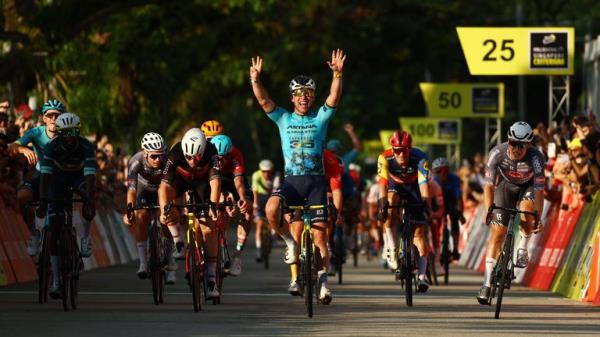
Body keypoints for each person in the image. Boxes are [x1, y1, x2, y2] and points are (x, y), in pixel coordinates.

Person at [249, 49, 346, 304]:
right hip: (292, 182)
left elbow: (334, 96)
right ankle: (290, 244)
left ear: (313, 97)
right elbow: (263, 101)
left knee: (320, 237)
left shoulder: (321, 118)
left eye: (309, 94)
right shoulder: (283, 117)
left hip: (315, 182)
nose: (304, 98)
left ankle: (324, 284)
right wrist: (256, 80)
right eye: (299, 94)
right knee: (271, 209)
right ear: (292, 98)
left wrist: (337, 74)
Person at [476, 121, 545, 305]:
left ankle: (522, 246)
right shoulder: (496, 153)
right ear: (508, 140)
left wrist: (538, 216)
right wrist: (488, 209)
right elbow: (488, 185)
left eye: (521, 145)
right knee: (497, 234)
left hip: (527, 187)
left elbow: (539, 190)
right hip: (505, 187)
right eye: (513, 143)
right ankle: (487, 283)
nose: (516, 148)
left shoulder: (537, 158)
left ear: (529, 144)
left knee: (528, 213)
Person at [36, 113, 96, 299]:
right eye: (65, 133)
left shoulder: (86, 146)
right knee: (53, 227)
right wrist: (43, 201)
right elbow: (45, 177)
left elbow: (90, 178)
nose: (69, 138)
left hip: (78, 177)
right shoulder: (52, 146)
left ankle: (85, 237)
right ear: (59, 133)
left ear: (78, 132)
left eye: (73, 133)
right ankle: (56, 281)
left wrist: (89, 202)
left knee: (88, 200)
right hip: (56, 178)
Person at [158, 128, 222, 299]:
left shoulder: (211, 150)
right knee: (166, 204)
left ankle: (210, 278)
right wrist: (165, 209)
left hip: (203, 184)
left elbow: (215, 182)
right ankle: (178, 241)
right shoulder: (176, 152)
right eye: (188, 157)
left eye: (196, 157)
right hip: (181, 181)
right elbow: (164, 187)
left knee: (208, 228)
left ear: (203, 150)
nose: (192, 160)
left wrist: (213, 205)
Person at [377, 130, 432, 292]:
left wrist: (426, 203)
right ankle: (392, 249)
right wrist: (382, 204)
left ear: (410, 148)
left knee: (419, 234)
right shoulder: (384, 157)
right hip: (395, 185)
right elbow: (382, 184)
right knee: (390, 202)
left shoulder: (420, 158)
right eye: (397, 151)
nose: (401, 155)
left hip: (414, 186)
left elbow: (423, 184)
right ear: (392, 150)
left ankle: (422, 277)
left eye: (405, 150)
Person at [8, 99, 65, 256]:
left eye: (58, 116)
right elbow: (12, 146)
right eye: (51, 115)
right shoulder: (36, 133)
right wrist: (23, 150)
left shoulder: (68, 134)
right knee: (21, 197)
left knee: (59, 219)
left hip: (62, 179)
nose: (54, 119)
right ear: (44, 118)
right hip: (40, 176)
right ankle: (34, 234)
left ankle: (71, 244)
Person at [123, 132, 177, 283]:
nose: (158, 159)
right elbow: (131, 189)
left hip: (162, 190)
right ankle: (143, 263)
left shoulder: (168, 161)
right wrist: (129, 210)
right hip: (143, 190)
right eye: (154, 156)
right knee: (141, 217)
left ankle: (169, 258)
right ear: (145, 154)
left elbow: (175, 187)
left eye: (161, 155)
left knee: (166, 219)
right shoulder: (136, 161)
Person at [209, 134, 253, 276]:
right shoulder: (207, 154)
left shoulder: (236, 154)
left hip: (233, 179)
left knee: (247, 210)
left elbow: (239, 182)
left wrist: (242, 199)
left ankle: (237, 256)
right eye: (218, 157)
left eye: (224, 157)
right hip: (214, 179)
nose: (220, 160)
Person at [431, 157, 465, 259]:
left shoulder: (454, 179)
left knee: (455, 219)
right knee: (435, 222)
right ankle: (435, 246)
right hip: (437, 202)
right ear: (435, 172)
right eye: (438, 171)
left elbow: (459, 197)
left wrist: (460, 213)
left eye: (445, 170)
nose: (442, 173)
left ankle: (455, 249)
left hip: (450, 201)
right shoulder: (433, 180)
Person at [251, 159, 279, 262]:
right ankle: (258, 251)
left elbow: (276, 190)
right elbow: (255, 191)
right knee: (259, 225)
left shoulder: (276, 175)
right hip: (260, 197)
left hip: (272, 196)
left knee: (273, 219)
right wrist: (255, 205)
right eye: (263, 171)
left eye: (268, 171)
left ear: (271, 170)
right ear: (260, 170)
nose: (266, 173)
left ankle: (273, 235)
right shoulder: (256, 175)